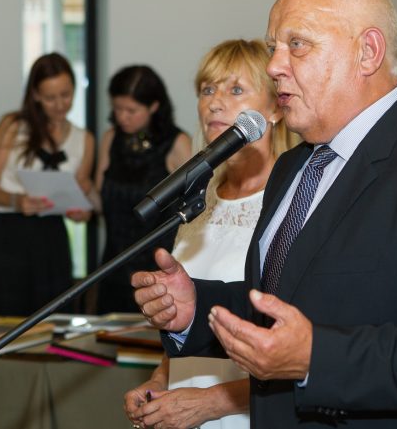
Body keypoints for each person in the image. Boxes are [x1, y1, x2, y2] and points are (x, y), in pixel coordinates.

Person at [132, 0, 397, 428]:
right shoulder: (294, 167)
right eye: (273, 48)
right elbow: (287, 302)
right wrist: (197, 308)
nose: (274, 66)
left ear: (367, 52)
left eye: (297, 44)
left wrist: (316, 359)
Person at [124, 39, 298, 429]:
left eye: (235, 89)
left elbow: (296, 352)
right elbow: (186, 320)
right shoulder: (198, 201)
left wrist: (210, 403)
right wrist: (159, 382)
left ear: (275, 108)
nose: (215, 103)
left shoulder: (293, 200)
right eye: (207, 90)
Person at [0, 52, 95, 316]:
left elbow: (82, 194)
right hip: (5, 232)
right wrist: (17, 201)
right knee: (2, 318)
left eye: (66, 95)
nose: (60, 104)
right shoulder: (12, 126)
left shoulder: (83, 139)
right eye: (50, 98)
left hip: (51, 236)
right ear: (36, 95)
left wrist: (81, 212)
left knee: (50, 318)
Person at [95, 65, 192, 314]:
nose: (122, 117)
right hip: (113, 264)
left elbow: (197, 205)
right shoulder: (111, 138)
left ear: (154, 106)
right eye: (117, 108)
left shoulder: (177, 143)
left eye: (131, 110)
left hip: (156, 269)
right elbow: (99, 197)